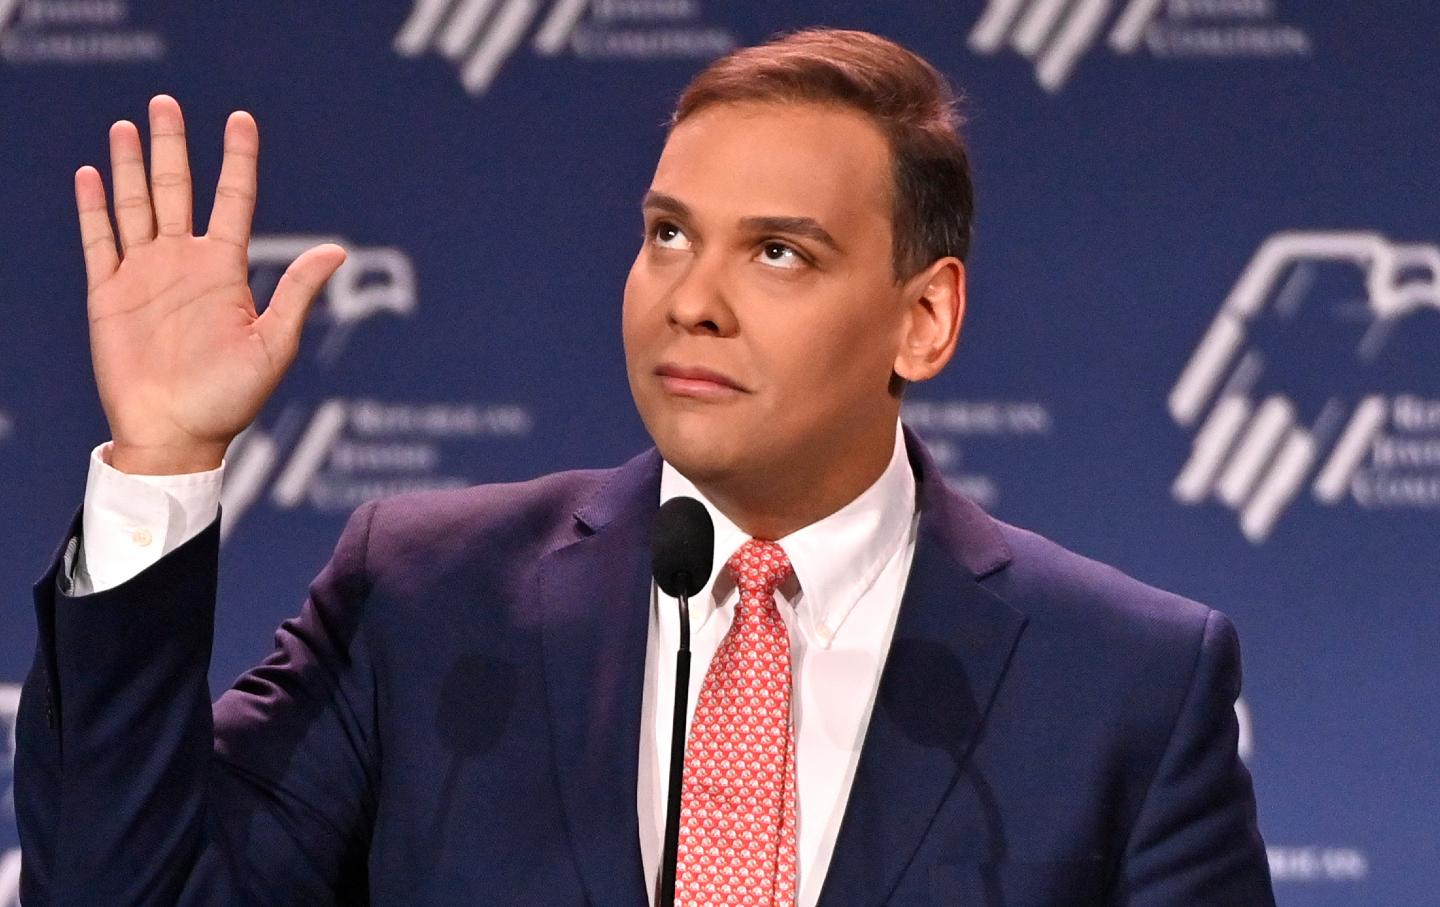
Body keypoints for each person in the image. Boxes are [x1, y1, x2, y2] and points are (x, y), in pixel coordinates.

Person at [16, 27, 1275, 907]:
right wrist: (165, 455)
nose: (693, 301)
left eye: (778, 253)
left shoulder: (1130, 685)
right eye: (668, 235)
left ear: (924, 319)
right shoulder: (422, 600)